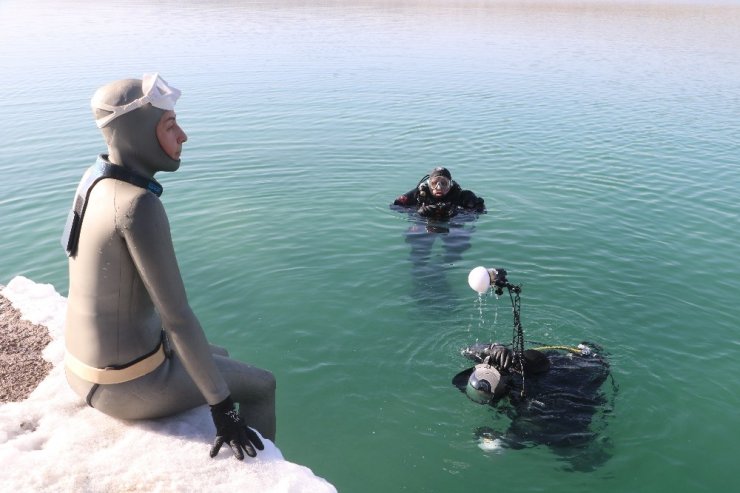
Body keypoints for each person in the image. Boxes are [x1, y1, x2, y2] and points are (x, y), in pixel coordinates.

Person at [61, 74, 275, 461]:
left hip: (80, 369)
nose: (183, 136)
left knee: (220, 352)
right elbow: (177, 317)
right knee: (261, 384)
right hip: (123, 385)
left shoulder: (94, 179)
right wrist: (223, 410)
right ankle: (263, 473)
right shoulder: (138, 205)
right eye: (170, 125)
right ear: (138, 133)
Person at [453, 342, 615, 470]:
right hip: (574, 365)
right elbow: (466, 349)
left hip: (579, 379)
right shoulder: (504, 363)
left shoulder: (534, 402)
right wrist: (492, 349)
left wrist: (500, 441)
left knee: (574, 451)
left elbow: (528, 427)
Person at [392, 166, 485, 219]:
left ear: (451, 184)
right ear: (428, 184)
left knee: (458, 240)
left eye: (444, 183)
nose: (439, 187)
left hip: (453, 224)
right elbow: (395, 207)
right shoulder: (419, 193)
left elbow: (481, 211)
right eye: (434, 183)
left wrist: (458, 213)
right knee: (417, 240)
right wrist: (418, 212)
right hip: (425, 224)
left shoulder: (462, 196)